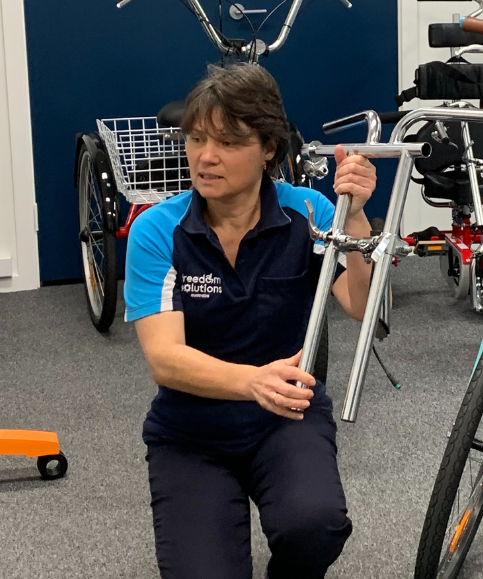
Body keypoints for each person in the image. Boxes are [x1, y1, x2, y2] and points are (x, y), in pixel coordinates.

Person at [123, 63, 377, 579]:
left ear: (268, 149)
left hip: (285, 417)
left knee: (316, 525)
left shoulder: (308, 211)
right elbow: (165, 361)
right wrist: (252, 380)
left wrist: (355, 217)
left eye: (228, 142)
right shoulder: (158, 229)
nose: (205, 157)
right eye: (196, 139)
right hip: (190, 432)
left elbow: (360, 303)